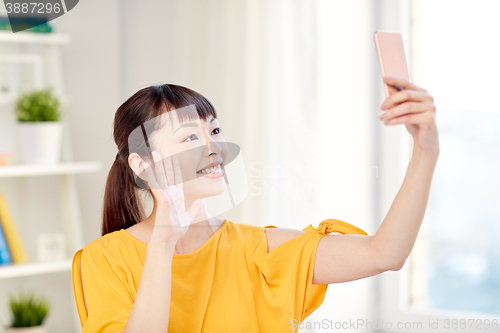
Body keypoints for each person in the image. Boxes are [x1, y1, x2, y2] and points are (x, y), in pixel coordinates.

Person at [71, 77, 439, 332]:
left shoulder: (259, 250)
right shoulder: (104, 260)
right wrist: (164, 243)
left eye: (214, 131)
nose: (213, 147)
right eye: (189, 137)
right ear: (143, 164)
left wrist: (426, 150)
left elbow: (384, 254)